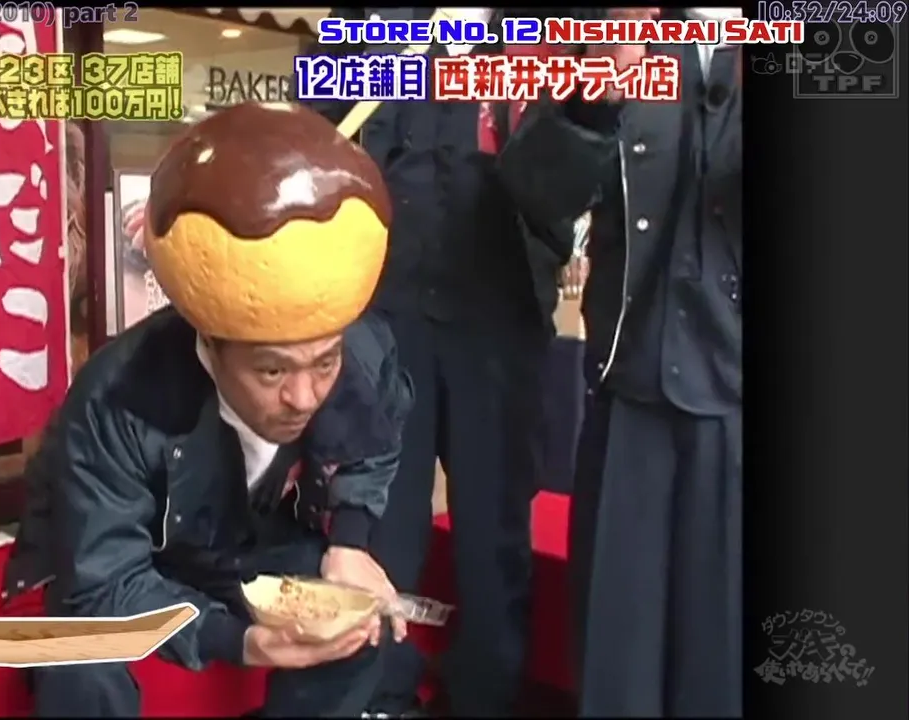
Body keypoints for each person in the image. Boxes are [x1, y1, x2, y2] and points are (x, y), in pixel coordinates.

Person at [2, 102, 415, 718]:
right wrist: (236, 640)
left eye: (322, 364)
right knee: (80, 665)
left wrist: (350, 542)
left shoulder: (357, 351)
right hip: (118, 564)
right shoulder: (118, 397)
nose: (304, 396)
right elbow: (106, 580)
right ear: (210, 344)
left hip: (236, 548)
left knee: (356, 620)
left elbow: (373, 447)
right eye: (272, 371)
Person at [304, 8, 582, 716]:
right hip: (386, 310)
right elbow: (311, 128)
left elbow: (578, 156)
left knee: (493, 532)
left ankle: (486, 696)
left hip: (499, 315)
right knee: (381, 522)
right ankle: (380, 695)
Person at [497, 7, 744, 716]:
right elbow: (535, 191)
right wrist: (589, 103)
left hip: (737, 405)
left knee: (729, 659)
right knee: (618, 660)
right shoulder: (621, 29)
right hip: (630, 392)